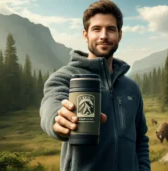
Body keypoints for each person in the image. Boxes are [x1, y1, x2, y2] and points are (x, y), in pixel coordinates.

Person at [39, 0, 150, 170]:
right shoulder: (65, 77)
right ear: (85, 35)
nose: (103, 36)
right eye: (96, 29)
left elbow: (141, 139)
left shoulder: (132, 88)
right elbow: (51, 103)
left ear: (119, 35)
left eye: (111, 29)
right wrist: (58, 120)